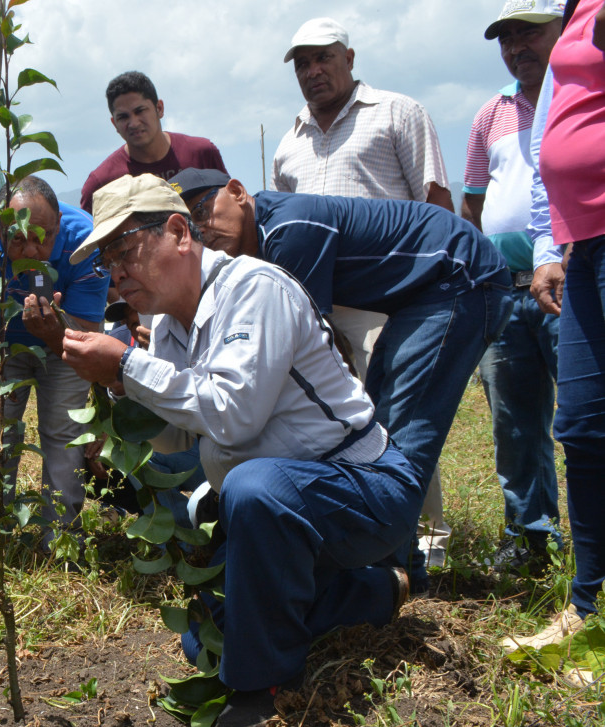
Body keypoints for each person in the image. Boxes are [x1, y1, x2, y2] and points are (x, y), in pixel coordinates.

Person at [60, 174, 419, 727]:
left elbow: (232, 413)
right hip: (289, 501)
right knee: (200, 632)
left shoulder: (255, 289)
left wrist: (127, 368)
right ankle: (368, 593)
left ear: (179, 231)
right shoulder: (168, 322)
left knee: (253, 490)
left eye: (125, 251)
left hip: (363, 486)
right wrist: (115, 389)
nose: (117, 273)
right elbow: (184, 435)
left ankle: (262, 690)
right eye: (106, 261)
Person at [171, 167, 511, 590]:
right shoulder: (260, 249)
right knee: (382, 423)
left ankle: (403, 569)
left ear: (237, 192)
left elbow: (318, 349)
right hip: (416, 298)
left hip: (458, 276)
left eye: (204, 209)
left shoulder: (288, 230)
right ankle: (393, 562)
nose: (204, 229)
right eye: (191, 226)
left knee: (406, 433)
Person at [272, 16, 456, 568]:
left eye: (323, 57)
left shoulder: (397, 114)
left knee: (400, 417)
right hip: (316, 314)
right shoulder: (289, 145)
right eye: (302, 63)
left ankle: (427, 538)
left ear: (349, 58)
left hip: (388, 304)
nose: (313, 71)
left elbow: (436, 206)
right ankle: (362, 541)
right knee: (333, 423)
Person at [503, 0, 605, 687]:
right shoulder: (576, 9)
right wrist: (550, 243)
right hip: (584, 248)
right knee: (584, 426)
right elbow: (552, 141)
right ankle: (588, 606)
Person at [0, 176, 107, 534]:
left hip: (66, 340)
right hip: (1, 342)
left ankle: (61, 538)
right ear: (0, 228)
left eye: (43, 237)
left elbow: (88, 333)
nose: (32, 250)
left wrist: (53, 333)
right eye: (19, 238)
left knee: (64, 432)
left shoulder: (85, 240)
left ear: (59, 225)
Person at [462, 0, 564, 571]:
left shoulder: (585, 97)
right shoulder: (490, 114)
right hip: (509, 291)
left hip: (573, 283)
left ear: (564, 29)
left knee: (585, 414)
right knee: (515, 422)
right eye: (507, 37)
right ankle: (530, 538)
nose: (516, 46)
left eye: (529, 32)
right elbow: (474, 203)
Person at [78, 71, 225, 213]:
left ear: (159, 108)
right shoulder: (101, 183)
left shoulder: (202, 153)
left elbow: (234, 208)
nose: (133, 123)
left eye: (140, 111)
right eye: (123, 117)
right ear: (114, 124)